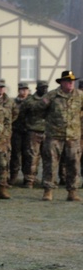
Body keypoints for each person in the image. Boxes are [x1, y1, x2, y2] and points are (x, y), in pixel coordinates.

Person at [37, 70, 82, 201]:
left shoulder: (80, 96)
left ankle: (72, 191)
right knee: (50, 163)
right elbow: (38, 110)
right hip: (54, 136)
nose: (71, 83)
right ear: (62, 82)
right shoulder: (52, 96)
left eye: (72, 81)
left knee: (74, 164)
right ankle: (48, 190)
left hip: (73, 136)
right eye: (68, 81)